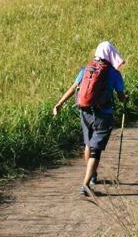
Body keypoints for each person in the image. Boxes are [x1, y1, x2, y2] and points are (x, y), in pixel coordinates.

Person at [53, 40, 127, 197]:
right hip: (103, 114)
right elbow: (121, 97)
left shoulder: (87, 68)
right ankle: (86, 185)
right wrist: (125, 98)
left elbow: (74, 88)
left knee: (88, 144)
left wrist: (59, 104)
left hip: (84, 111)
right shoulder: (114, 73)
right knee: (96, 150)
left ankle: (92, 176)